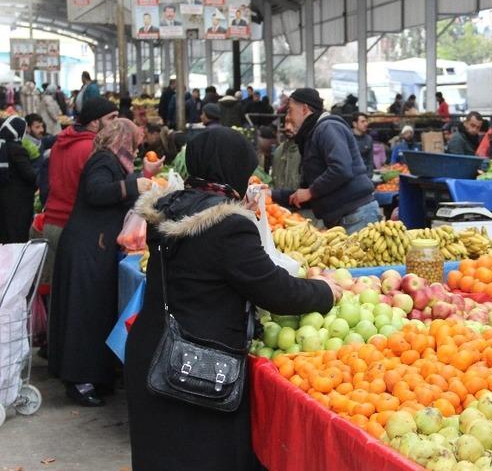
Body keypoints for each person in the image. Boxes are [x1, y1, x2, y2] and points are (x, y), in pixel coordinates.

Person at [126, 126, 337, 470]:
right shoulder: (229, 226)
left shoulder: (167, 208)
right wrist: (325, 291)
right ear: (234, 168)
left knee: (161, 457)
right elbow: (276, 292)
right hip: (196, 367)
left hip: (152, 350)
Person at [50, 118, 159, 406]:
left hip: (94, 246)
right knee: (84, 315)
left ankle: (96, 377)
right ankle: (79, 380)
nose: (135, 149)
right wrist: (133, 185)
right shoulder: (101, 160)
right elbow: (96, 192)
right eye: (133, 143)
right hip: (87, 248)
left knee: (95, 313)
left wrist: (141, 177)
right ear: (121, 139)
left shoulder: (111, 161)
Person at [273, 88, 379, 234]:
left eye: (290, 110)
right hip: (345, 218)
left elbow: (341, 170)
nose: (288, 117)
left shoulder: (328, 127)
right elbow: (310, 190)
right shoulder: (312, 136)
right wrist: (272, 195)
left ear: (304, 109)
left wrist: (310, 192)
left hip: (356, 216)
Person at [42, 98, 119, 290]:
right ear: (94, 122)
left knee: (56, 293)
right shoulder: (92, 149)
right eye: (112, 118)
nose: (117, 123)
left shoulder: (62, 141)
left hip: (51, 223)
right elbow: (98, 192)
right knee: (74, 295)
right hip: (73, 229)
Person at [0, 117, 37, 243]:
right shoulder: (17, 150)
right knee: (16, 240)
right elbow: (30, 175)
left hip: (4, 202)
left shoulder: (2, 146)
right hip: (18, 204)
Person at [352, 112, 374, 179]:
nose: (366, 124)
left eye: (366, 121)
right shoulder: (347, 137)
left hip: (365, 175)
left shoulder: (369, 139)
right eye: (362, 122)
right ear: (355, 124)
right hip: (351, 175)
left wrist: (369, 176)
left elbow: (370, 160)